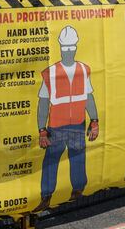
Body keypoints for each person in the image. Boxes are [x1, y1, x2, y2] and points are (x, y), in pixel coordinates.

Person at [32, 25, 99, 213]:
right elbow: (43, 104)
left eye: (71, 48)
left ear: (76, 48)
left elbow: (89, 97)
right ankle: (46, 197)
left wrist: (94, 120)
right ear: (61, 49)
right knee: (51, 161)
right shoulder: (50, 73)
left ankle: (77, 192)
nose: (69, 52)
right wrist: (42, 130)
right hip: (57, 128)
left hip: (78, 124)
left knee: (78, 158)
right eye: (65, 48)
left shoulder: (83, 70)